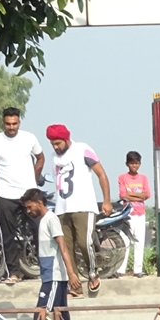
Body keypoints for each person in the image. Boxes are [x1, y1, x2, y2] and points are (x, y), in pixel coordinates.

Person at [0, 107, 45, 284]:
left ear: (19, 122)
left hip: (28, 194)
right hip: (5, 194)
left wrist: (34, 178)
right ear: (3, 123)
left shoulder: (29, 138)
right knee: (7, 235)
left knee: (40, 229)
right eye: (8, 124)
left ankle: (45, 269)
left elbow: (40, 158)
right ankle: (14, 272)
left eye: (14, 123)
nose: (11, 127)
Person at [46, 124, 112, 293]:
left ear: (66, 139)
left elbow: (101, 174)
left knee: (84, 242)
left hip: (83, 206)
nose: (55, 147)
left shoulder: (82, 149)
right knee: (66, 248)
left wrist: (106, 200)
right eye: (52, 144)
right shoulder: (53, 158)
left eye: (58, 143)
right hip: (62, 208)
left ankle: (92, 272)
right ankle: (75, 286)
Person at [22, 187, 82, 320]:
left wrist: (71, 273)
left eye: (30, 207)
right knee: (61, 317)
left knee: (41, 315)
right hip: (50, 275)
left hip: (54, 277)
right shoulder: (43, 221)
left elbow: (63, 246)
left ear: (39, 203)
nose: (28, 211)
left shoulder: (51, 219)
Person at [116, 151, 149, 278]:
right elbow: (123, 195)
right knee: (125, 241)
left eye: (137, 163)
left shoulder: (143, 178)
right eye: (132, 163)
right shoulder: (122, 177)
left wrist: (131, 195)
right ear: (127, 164)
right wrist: (139, 196)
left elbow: (147, 194)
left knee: (139, 241)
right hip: (128, 213)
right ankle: (120, 269)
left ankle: (138, 269)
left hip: (140, 213)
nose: (134, 166)